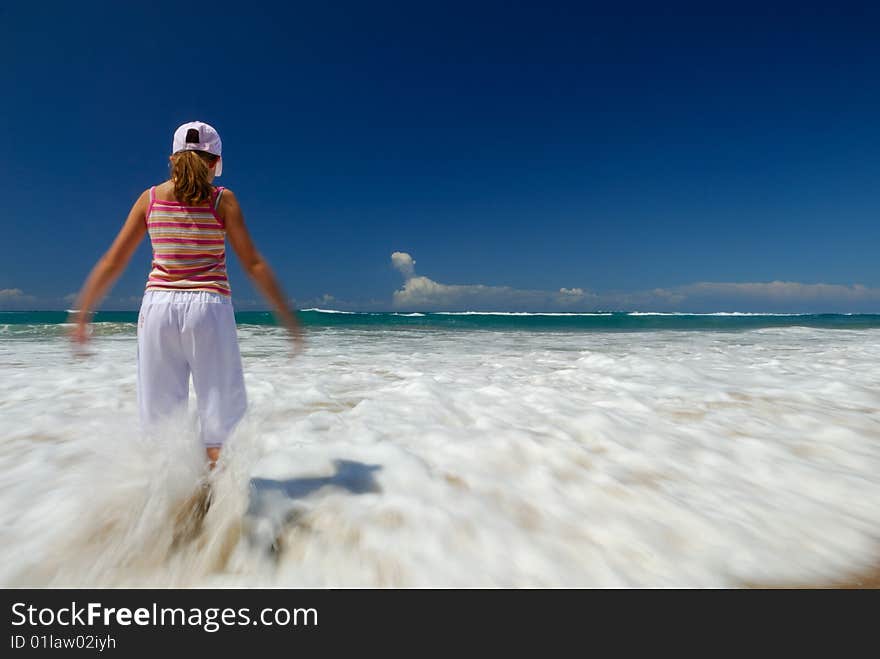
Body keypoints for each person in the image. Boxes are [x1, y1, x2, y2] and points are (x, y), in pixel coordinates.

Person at [70, 121, 303, 469]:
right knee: (221, 427)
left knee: (161, 427)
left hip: (158, 310)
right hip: (209, 309)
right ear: (214, 163)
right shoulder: (223, 201)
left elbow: (112, 262)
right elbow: (253, 263)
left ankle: (170, 510)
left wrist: (82, 316)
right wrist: (287, 317)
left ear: (173, 159)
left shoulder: (148, 200)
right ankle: (217, 510)